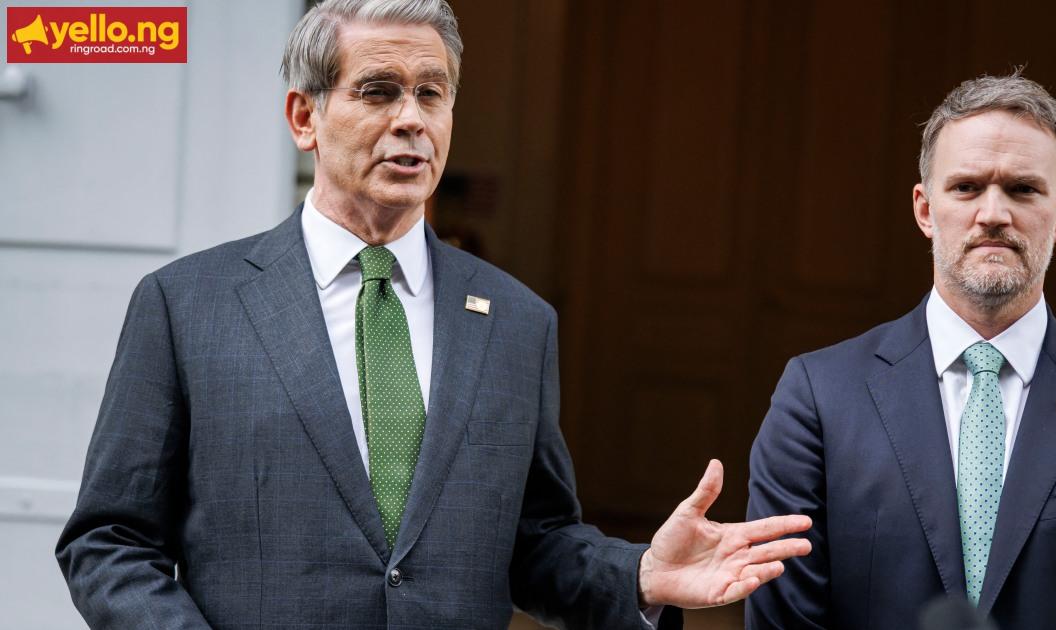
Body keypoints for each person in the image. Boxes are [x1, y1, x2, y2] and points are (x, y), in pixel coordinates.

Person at [55, 1, 811, 628]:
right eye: (378, 91)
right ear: (304, 116)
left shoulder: (518, 322)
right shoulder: (188, 304)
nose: (411, 119)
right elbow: (109, 541)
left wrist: (638, 574)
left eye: (432, 93)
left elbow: (535, 544)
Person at [745, 72, 1056, 629]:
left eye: (1022, 189)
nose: (993, 213)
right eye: (966, 187)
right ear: (924, 209)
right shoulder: (818, 399)